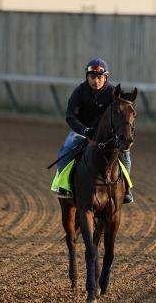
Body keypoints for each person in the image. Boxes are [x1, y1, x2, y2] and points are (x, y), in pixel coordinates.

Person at [53, 57, 134, 203]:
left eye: (99, 77)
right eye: (92, 77)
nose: (95, 81)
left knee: (125, 154)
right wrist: (84, 130)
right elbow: (70, 116)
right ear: (87, 77)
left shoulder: (113, 93)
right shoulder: (79, 92)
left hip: (107, 136)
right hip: (82, 132)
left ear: (105, 77)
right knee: (66, 150)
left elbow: (121, 115)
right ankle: (63, 186)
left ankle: (126, 189)